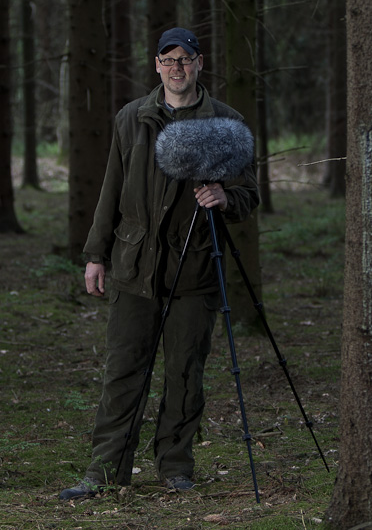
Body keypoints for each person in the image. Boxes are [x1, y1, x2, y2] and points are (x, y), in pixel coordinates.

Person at [59, 27, 260, 500]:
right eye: (168, 60)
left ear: (199, 63)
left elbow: (249, 194)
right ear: (156, 66)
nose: (177, 67)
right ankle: (105, 471)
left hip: (195, 269)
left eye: (185, 59)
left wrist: (225, 197)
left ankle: (175, 467)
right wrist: (95, 254)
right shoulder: (132, 117)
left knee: (185, 374)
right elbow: (111, 187)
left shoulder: (225, 122)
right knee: (123, 371)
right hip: (134, 266)